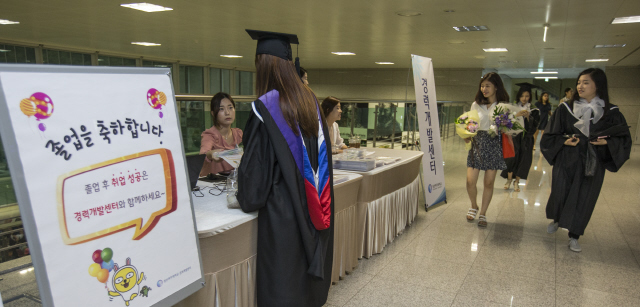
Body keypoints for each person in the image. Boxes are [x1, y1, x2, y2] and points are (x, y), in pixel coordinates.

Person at [238, 29, 334, 306]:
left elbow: (253, 191)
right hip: (315, 211)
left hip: (283, 221)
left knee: (283, 289)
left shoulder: (264, 109)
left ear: (264, 66)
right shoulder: (310, 102)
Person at [541, 68, 631, 252]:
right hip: (568, 157)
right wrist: (564, 140)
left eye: (586, 82)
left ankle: (574, 235)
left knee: (585, 197)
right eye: (579, 82)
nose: (580, 86)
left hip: (593, 160)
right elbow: (550, 135)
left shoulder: (611, 111)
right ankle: (558, 218)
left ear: (598, 85)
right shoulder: (565, 109)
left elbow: (623, 139)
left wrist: (607, 142)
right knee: (561, 190)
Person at [465, 72, 509, 227]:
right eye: (482, 86)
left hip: (493, 144)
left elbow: (508, 129)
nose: (484, 89)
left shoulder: (503, 106)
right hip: (477, 144)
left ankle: (482, 213)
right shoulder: (476, 104)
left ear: (496, 87)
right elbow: (471, 125)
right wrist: (467, 133)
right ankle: (473, 205)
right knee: (470, 181)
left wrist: (507, 127)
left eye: (488, 86)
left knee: (489, 183)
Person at [501, 87, 540, 191]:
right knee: (511, 159)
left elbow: (535, 126)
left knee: (524, 160)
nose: (524, 98)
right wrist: (516, 115)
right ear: (518, 96)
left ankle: (516, 182)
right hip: (513, 137)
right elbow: (505, 123)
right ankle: (509, 179)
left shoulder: (534, 110)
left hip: (526, 139)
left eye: (527, 96)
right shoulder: (512, 108)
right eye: (522, 96)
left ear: (530, 97)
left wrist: (528, 118)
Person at [199, 92, 243, 177]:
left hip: (231, 181)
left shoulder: (238, 133)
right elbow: (204, 154)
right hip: (211, 185)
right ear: (213, 113)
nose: (227, 113)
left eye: (230, 108)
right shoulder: (210, 134)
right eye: (221, 109)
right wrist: (211, 154)